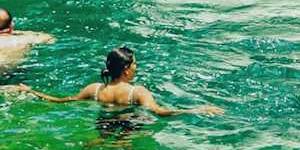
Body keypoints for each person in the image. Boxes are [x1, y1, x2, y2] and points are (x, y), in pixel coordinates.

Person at [20, 46, 223, 117]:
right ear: (126, 70)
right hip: (128, 128)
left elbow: (62, 100)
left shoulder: (96, 89)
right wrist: (196, 110)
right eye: (134, 64)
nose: (137, 67)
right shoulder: (137, 93)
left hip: (103, 125)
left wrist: (32, 92)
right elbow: (160, 112)